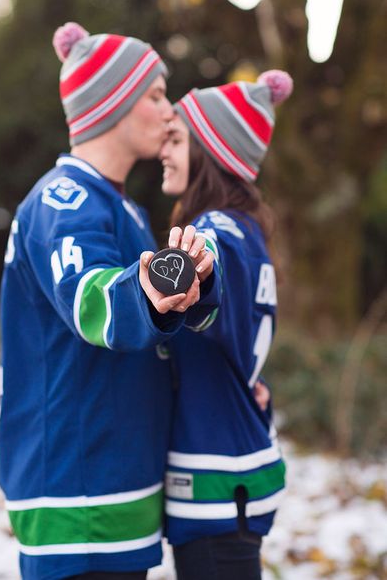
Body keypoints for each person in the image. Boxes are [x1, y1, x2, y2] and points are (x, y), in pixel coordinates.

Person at [0, 21, 218, 580]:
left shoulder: (123, 209)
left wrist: (195, 289)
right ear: (110, 105)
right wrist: (153, 288)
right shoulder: (63, 201)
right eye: (154, 96)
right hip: (76, 492)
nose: (169, 112)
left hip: (117, 483)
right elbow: (92, 299)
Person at [159, 70, 293, 579]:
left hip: (216, 482)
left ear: (210, 151)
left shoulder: (218, 230)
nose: (163, 152)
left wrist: (194, 264)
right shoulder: (248, 229)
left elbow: (211, 263)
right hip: (233, 472)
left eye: (175, 139)